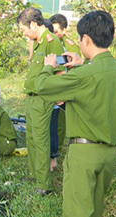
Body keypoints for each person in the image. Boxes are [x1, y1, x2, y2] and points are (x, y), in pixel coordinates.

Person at [35, 10, 116, 217]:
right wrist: (81, 65)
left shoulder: (83, 76)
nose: (78, 44)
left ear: (86, 38)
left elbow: (43, 87)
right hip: (109, 153)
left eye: (79, 40)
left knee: (78, 212)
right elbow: (96, 88)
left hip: (84, 152)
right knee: (95, 208)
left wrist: (47, 64)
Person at [17, 7, 65, 195]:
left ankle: (44, 184)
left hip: (42, 99)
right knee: (31, 137)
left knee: (40, 139)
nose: (24, 33)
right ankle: (35, 174)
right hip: (32, 98)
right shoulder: (37, 42)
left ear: (34, 24)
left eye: (24, 29)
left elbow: (60, 72)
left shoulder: (50, 42)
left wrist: (59, 97)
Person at [49, 13, 82, 165]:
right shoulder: (49, 43)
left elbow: (75, 71)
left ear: (64, 30)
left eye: (56, 32)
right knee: (55, 124)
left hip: (67, 91)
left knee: (64, 124)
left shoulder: (71, 46)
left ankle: (62, 151)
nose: (53, 35)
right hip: (54, 91)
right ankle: (55, 153)